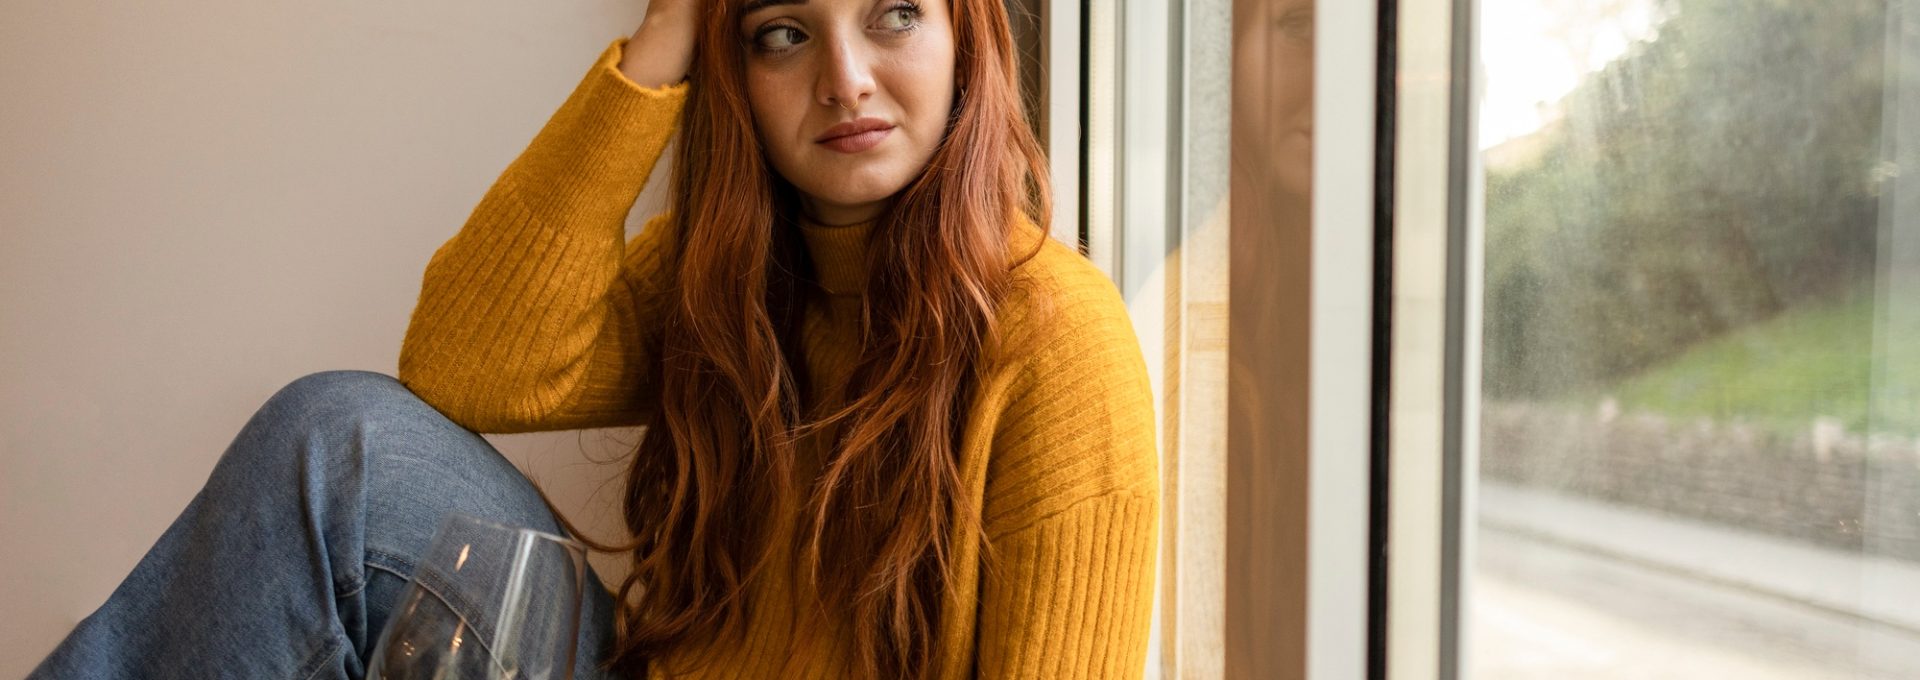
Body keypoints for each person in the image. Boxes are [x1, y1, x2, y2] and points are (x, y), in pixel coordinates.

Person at [28, 0, 1159, 677]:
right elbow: (470, 361)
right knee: (339, 440)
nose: (845, 79)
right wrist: (665, 35)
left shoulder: (1058, 341)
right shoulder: (724, 277)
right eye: (780, 34)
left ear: (970, 32)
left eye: (895, 14)